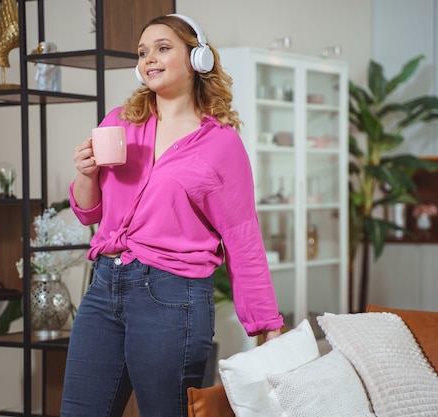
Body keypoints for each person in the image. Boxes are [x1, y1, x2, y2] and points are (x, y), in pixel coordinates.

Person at [61, 13, 284, 417]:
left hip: (171, 295)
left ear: (197, 59)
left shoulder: (221, 144)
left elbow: (242, 237)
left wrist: (266, 323)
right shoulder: (120, 122)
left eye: (163, 48)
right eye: (143, 52)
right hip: (104, 287)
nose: (150, 59)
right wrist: (85, 173)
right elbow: (87, 211)